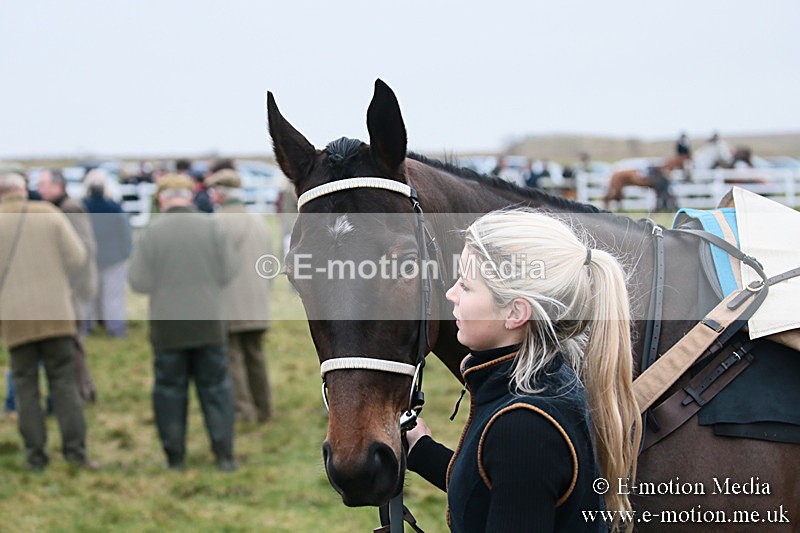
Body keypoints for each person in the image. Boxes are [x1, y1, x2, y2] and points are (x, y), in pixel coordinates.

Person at [406, 209, 642, 532]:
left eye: (466, 285)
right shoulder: (548, 381)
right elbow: (503, 486)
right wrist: (422, 450)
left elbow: (517, 465)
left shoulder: (524, 427)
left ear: (516, 312)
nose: (451, 294)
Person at [128, 174, 239, 471]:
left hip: (168, 327)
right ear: (189, 197)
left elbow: (138, 282)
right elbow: (229, 271)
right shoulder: (212, 228)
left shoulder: (152, 232)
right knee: (216, 390)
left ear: (162, 198)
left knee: (169, 392)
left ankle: (175, 459)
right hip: (209, 324)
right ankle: (224, 456)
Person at [0, 173, 98, 470]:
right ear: (23, 190)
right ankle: (75, 453)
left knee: (26, 386)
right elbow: (78, 256)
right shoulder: (50, 215)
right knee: (64, 383)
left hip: (15, 317)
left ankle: (36, 456)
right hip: (56, 311)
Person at [206, 169, 274, 423]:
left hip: (229, 303)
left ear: (221, 193)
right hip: (257, 302)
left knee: (233, 359)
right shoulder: (258, 220)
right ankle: (265, 409)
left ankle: (244, 413)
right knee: (256, 358)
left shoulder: (215, 222)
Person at [37, 168, 98, 402]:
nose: (40, 189)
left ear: (58, 185)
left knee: (73, 343)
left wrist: (75, 285)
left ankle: (83, 392)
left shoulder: (70, 209)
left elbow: (82, 250)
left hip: (73, 288)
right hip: (69, 287)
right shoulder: (60, 209)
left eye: (43, 184)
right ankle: (84, 391)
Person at [82, 169, 133, 338]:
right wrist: (125, 252)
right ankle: (116, 329)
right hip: (113, 258)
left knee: (88, 295)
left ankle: (86, 327)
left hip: (89, 258)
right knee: (113, 297)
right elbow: (125, 233)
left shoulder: (81, 208)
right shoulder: (115, 208)